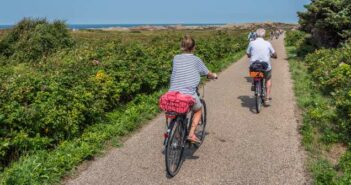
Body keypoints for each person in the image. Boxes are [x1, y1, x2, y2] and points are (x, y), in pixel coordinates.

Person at [169, 35, 217, 143]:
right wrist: (213, 75)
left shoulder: (175, 58)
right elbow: (207, 73)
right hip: (188, 94)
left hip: (173, 93)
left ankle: (175, 132)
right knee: (198, 110)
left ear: (181, 46)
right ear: (193, 47)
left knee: (177, 110)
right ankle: (191, 134)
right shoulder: (196, 60)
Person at [246, 28, 277, 105]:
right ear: (264, 35)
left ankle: (254, 84)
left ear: (256, 34)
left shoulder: (251, 43)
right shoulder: (267, 43)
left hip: (254, 67)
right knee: (268, 79)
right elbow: (274, 53)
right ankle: (267, 99)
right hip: (265, 67)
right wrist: (274, 56)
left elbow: (247, 53)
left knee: (254, 70)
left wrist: (250, 55)